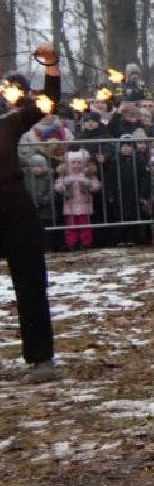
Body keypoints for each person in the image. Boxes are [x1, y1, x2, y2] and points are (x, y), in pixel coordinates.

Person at [1, 46, 63, 381]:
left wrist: (51, 65)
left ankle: (41, 360)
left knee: (30, 283)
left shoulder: (8, 125)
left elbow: (48, 102)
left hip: (15, 209)